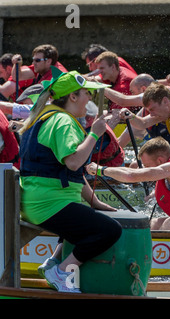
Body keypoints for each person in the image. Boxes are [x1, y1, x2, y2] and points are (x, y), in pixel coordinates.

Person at [18, 67, 122, 293]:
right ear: (73, 96)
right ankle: (63, 271)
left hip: (40, 200)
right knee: (110, 231)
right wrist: (94, 134)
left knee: (82, 222)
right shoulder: (63, 122)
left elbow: (71, 174)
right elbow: (74, 163)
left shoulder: (54, 117)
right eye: (87, 93)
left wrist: (96, 203)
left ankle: (53, 263)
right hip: (47, 203)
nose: (91, 98)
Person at [85, 137, 170, 229]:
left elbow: (131, 175)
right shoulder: (165, 172)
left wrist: (101, 170)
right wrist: (154, 192)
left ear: (160, 160)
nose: (144, 168)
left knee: (167, 224)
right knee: (149, 224)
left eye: (146, 165)